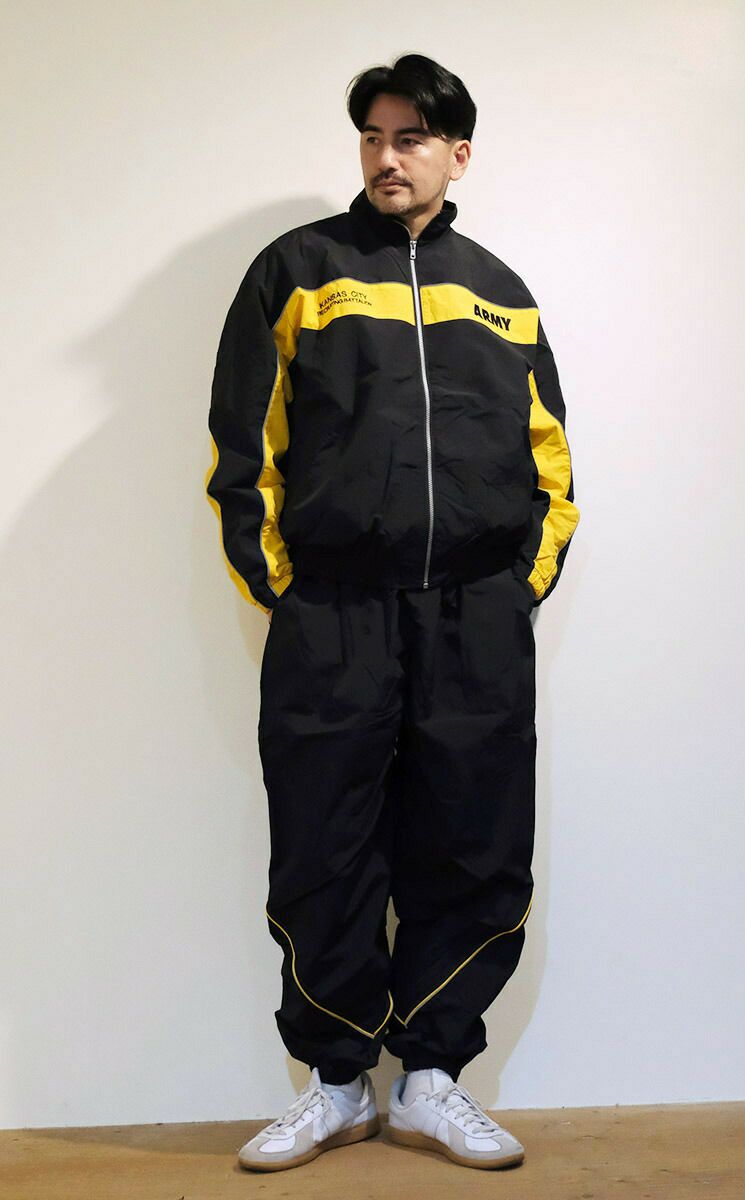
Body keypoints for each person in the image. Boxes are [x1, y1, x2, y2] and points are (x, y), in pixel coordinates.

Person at [205, 52, 579, 1173]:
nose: (386, 156)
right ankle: (334, 1083)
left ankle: (428, 1081)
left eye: (410, 137)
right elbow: (240, 453)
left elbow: (551, 465)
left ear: (457, 154)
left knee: (472, 842)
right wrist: (292, 592)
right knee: (324, 845)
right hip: (335, 613)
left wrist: (512, 592)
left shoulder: (501, 293)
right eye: (372, 136)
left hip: (473, 620)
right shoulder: (296, 272)